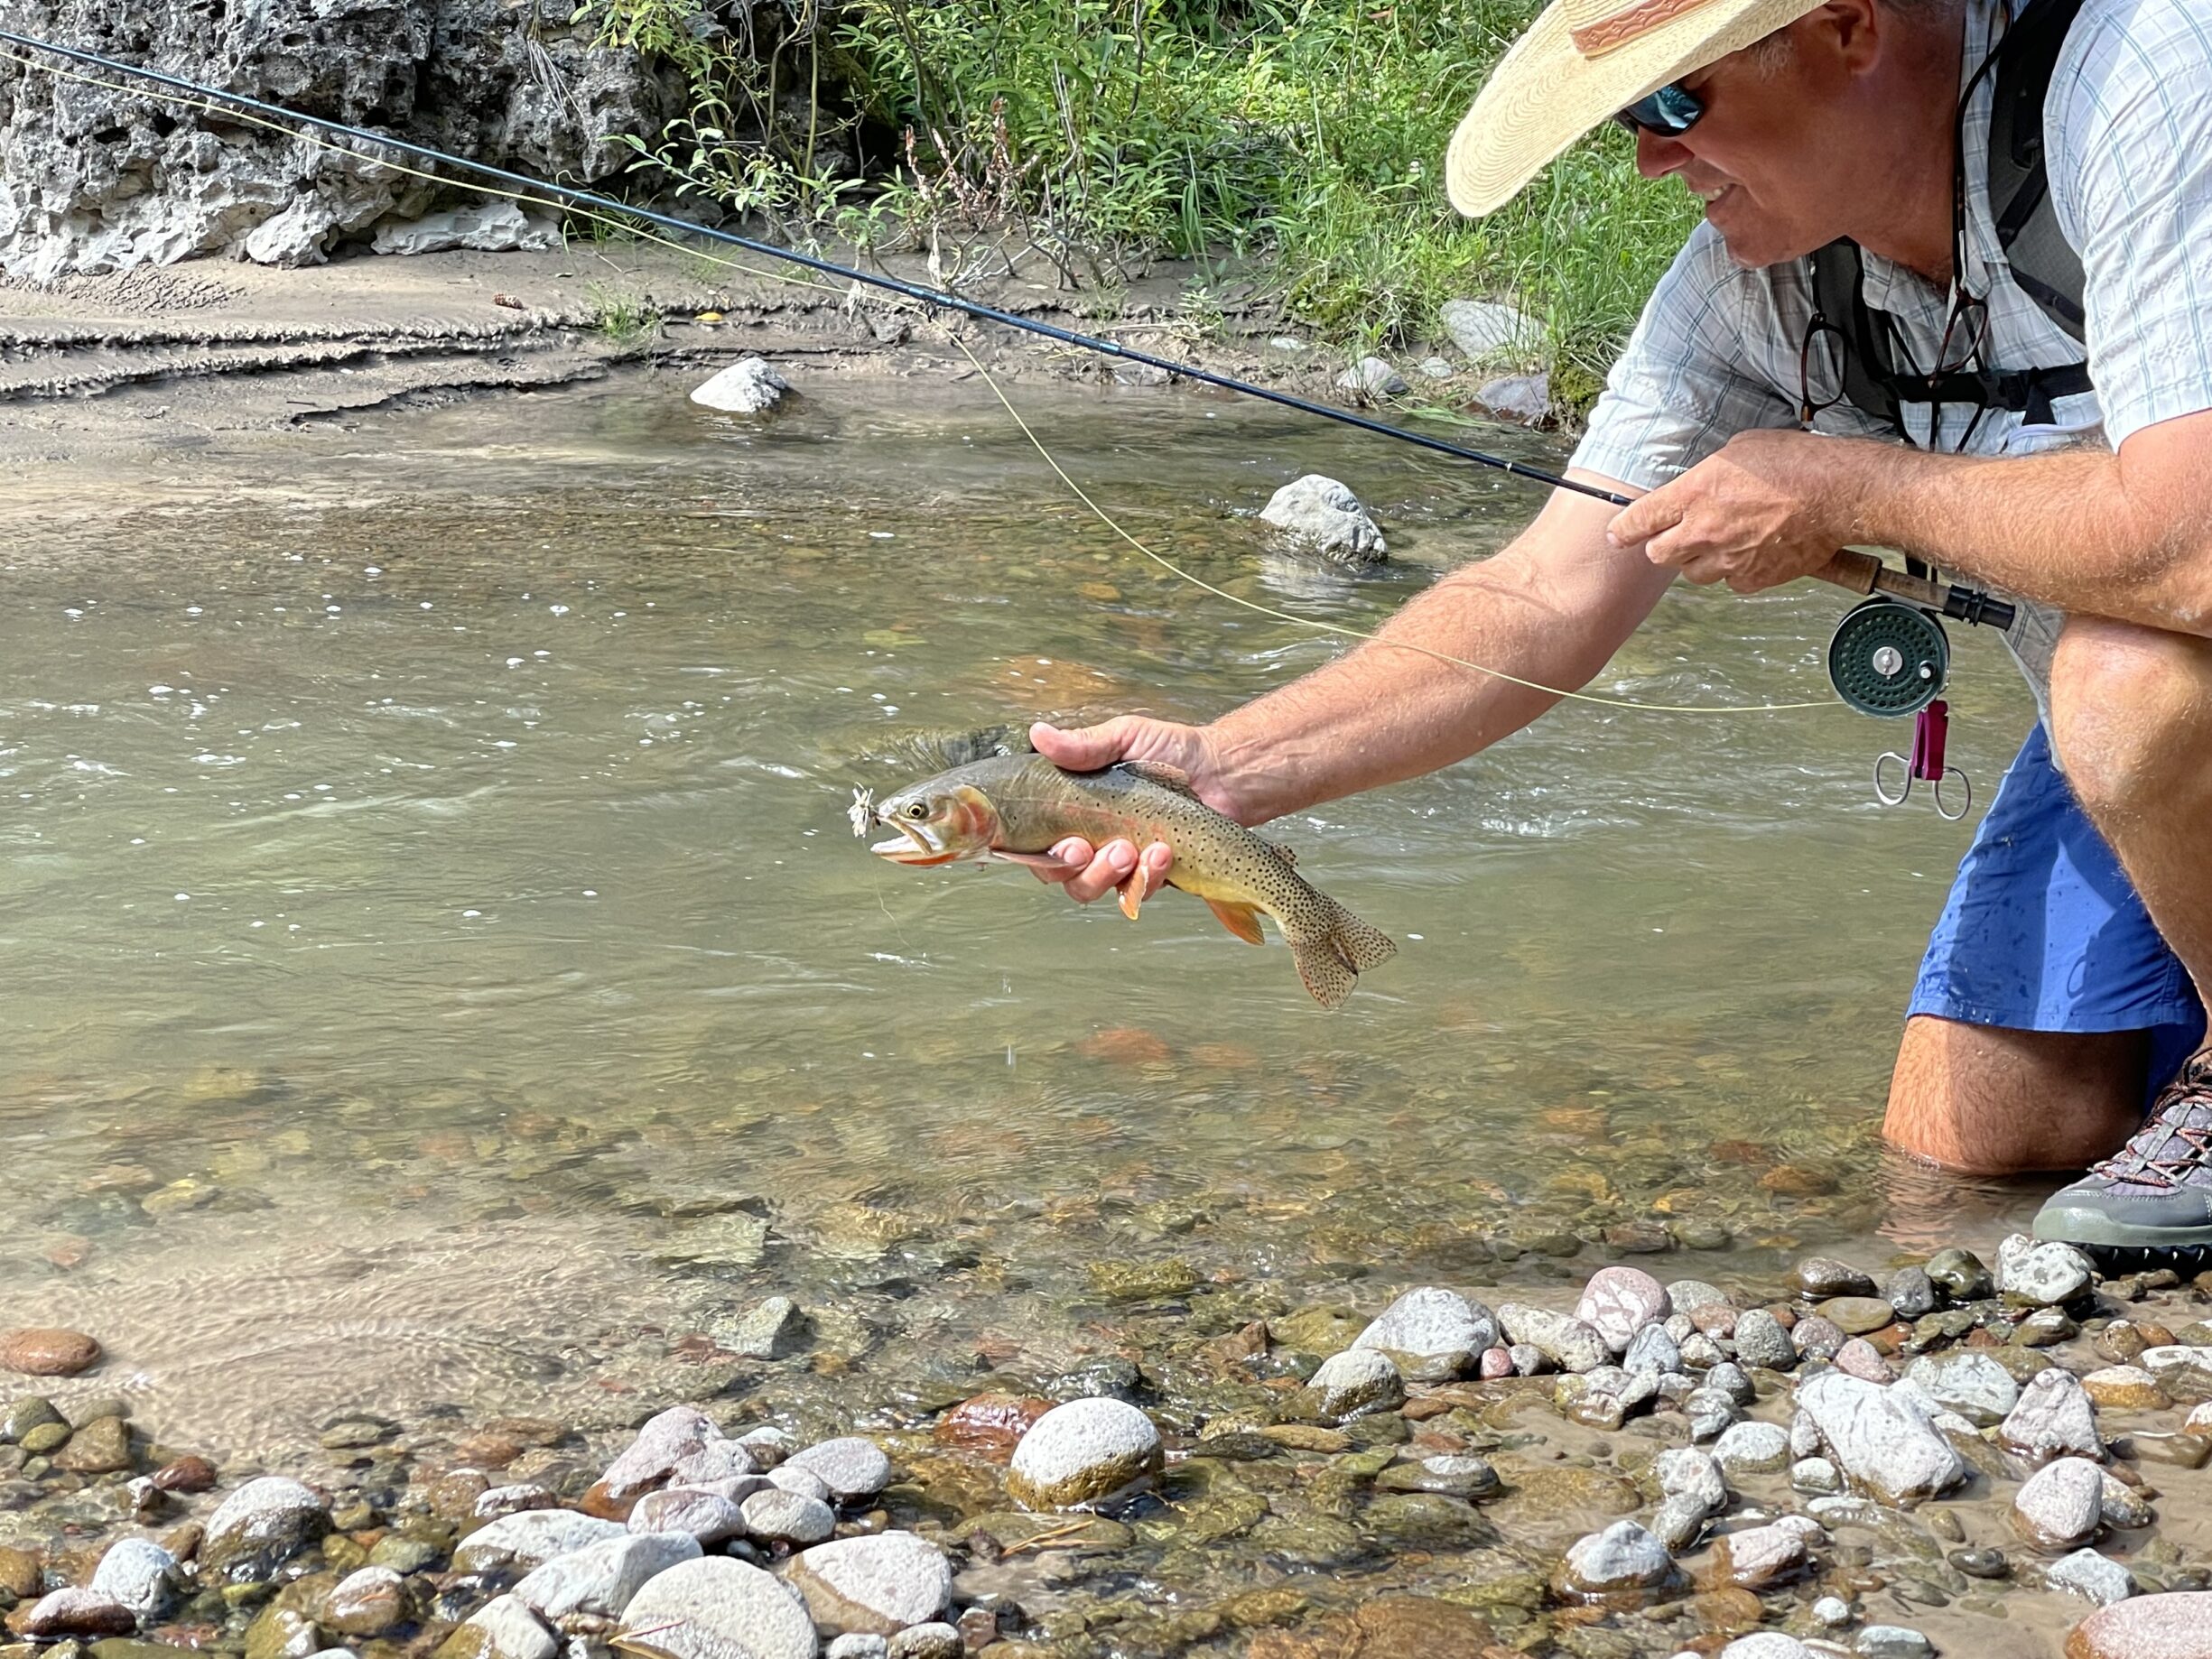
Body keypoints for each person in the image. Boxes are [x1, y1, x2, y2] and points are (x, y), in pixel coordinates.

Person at [1024, 0, 2212, 1254]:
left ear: (1849, 29)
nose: (1647, 156)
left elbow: (2189, 549)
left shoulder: (2141, 76)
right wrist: (1217, 776)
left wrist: (1846, 487)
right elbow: (1539, 596)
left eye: (1670, 101)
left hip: (2150, 686)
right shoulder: (1756, 291)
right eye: (1622, 119)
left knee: (2124, 679)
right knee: (1967, 1146)